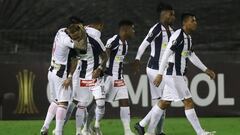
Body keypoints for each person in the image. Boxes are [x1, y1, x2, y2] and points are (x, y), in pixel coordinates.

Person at [145, 13, 216, 135]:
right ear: (185, 23)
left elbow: (191, 55)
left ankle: (149, 132)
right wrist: (159, 74)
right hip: (173, 74)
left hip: (176, 74)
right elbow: (166, 54)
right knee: (188, 101)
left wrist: (205, 70)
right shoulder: (178, 36)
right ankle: (200, 133)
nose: (195, 23)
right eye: (193, 21)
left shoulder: (188, 38)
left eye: (195, 20)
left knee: (164, 102)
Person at [133, 2, 175, 135]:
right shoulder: (156, 28)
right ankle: (142, 124)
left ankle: (158, 131)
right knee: (165, 100)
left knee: (161, 103)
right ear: (164, 14)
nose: (173, 16)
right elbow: (143, 44)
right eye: (171, 14)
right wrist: (138, 59)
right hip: (154, 70)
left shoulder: (173, 31)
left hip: (163, 70)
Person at [40, 23, 88, 135]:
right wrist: (83, 34)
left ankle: (45, 127)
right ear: (70, 33)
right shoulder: (67, 41)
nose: (75, 38)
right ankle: (58, 132)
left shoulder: (61, 31)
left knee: (56, 101)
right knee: (63, 103)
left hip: (52, 70)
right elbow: (82, 47)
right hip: (60, 73)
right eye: (74, 36)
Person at [67, 17, 108, 135]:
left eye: (76, 37)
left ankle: (96, 125)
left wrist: (100, 68)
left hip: (95, 78)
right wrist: (70, 76)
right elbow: (74, 60)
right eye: (73, 38)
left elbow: (105, 56)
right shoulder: (73, 43)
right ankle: (79, 131)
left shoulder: (94, 40)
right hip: (82, 77)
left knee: (100, 103)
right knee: (81, 104)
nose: (75, 39)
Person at [104, 20, 135, 135]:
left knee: (125, 101)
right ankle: (88, 127)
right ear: (125, 29)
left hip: (119, 79)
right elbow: (105, 55)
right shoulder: (113, 41)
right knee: (100, 103)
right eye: (132, 29)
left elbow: (118, 60)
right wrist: (103, 68)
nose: (134, 31)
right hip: (108, 77)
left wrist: (129, 64)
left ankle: (127, 131)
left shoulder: (126, 44)